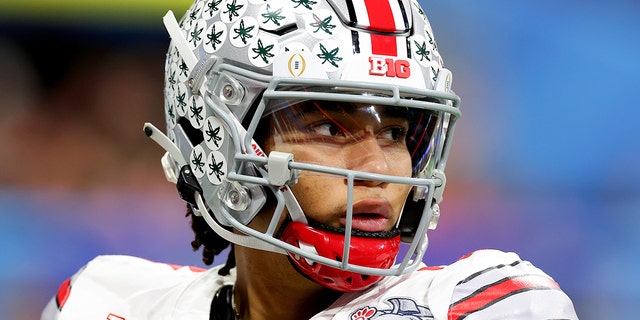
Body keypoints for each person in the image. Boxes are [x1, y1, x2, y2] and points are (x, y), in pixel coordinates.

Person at [42, 0, 579, 319]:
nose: (381, 168)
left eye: (394, 133)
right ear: (218, 143)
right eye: (330, 128)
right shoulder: (107, 302)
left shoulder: (484, 305)